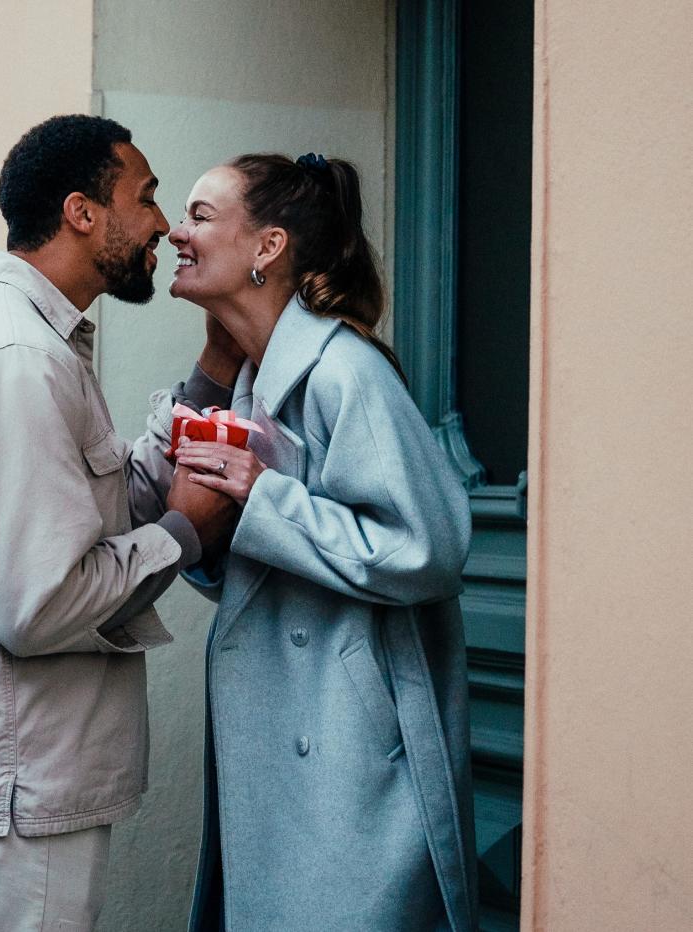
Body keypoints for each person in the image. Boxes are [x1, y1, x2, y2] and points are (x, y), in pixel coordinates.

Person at [0, 115, 237, 931]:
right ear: (82, 212)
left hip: (3, 787)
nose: (163, 225)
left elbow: (99, 512)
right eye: (144, 199)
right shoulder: (14, 359)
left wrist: (212, 376)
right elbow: (38, 604)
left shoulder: (32, 343)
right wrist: (186, 532)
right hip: (12, 795)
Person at [159, 153, 477, 930]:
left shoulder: (346, 372)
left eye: (200, 215)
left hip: (350, 756)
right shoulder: (245, 382)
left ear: (267, 247)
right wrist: (207, 527)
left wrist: (262, 496)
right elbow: (261, 572)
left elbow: (428, 547)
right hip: (289, 738)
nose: (176, 232)